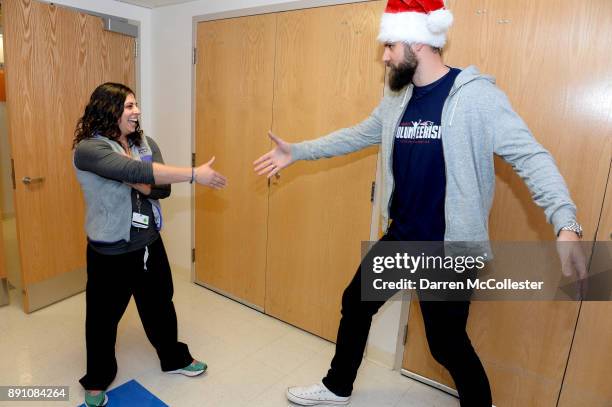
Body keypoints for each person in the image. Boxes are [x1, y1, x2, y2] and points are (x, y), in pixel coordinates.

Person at [253, 0, 585, 405]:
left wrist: (565, 222)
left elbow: (532, 157)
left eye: (390, 45)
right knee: (355, 304)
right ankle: (337, 387)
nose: (385, 55)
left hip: (450, 249)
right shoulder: (398, 99)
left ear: (418, 42)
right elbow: (358, 134)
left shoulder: (476, 98)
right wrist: (298, 151)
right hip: (404, 238)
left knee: (445, 344)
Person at [73, 82, 227, 407]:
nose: (137, 111)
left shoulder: (145, 143)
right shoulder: (90, 149)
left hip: (148, 243)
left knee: (160, 305)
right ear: (108, 110)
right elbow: (136, 171)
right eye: (129, 106)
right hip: (109, 250)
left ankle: (174, 359)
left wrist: (140, 181)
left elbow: (160, 189)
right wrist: (191, 174)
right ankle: (98, 379)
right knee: (102, 319)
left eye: (136, 105)